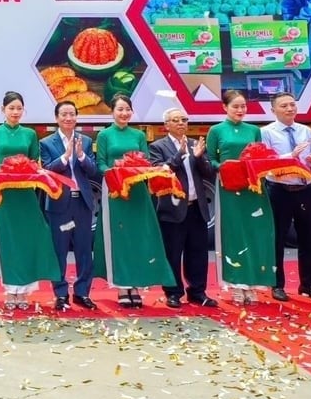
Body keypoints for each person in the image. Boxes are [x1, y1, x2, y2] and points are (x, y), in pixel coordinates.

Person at [94, 94, 176, 308]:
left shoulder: (139, 135)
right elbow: (100, 164)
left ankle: (136, 285)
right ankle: (122, 286)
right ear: (112, 112)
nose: (124, 113)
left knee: (138, 237)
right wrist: (115, 173)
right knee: (120, 238)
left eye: (127, 109)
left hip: (138, 191)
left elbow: (145, 162)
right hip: (115, 191)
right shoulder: (104, 135)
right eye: (120, 109)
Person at [0, 91, 64, 310]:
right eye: (11, 108)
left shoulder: (29, 134)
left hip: (25, 193)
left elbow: (34, 161)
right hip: (3, 194)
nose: (15, 112)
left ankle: (25, 290)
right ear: (3, 110)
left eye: (19, 108)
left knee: (26, 239)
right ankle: (11, 290)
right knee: (8, 241)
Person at [205, 90, 276, 305]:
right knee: (234, 233)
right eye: (235, 106)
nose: (240, 110)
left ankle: (252, 284)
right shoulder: (216, 130)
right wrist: (223, 167)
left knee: (255, 232)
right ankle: (236, 284)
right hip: (229, 187)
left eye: (243, 106)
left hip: (253, 188)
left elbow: (259, 155)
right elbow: (210, 159)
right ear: (224, 107)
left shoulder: (254, 130)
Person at [261, 91, 311, 302]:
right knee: (277, 239)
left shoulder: (305, 130)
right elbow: (266, 161)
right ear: (273, 110)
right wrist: (290, 157)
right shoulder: (266, 132)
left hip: (305, 188)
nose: (290, 109)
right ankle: (277, 285)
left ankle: (308, 285)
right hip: (279, 189)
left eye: (292, 104)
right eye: (284, 106)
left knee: (310, 238)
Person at [149, 107, 218, 309]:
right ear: (166, 125)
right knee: (173, 253)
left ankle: (197, 292)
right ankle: (173, 293)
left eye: (184, 119)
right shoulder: (157, 147)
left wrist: (199, 157)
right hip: (173, 208)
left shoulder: (195, 144)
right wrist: (179, 155)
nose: (181, 123)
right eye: (176, 120)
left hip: (197, 207)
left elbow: (208, 173)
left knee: (198, 252)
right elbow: (159, 173)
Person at [39, 100, 101, 311]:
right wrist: (65, 157)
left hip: (82, 202)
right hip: (59, 203)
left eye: (72, 114)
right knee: (60, 249)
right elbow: (47, 169)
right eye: (64, 114)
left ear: (76, 117)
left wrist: (81, 155)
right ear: (56, 118)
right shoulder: (46, 143)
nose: (68, 118)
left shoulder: (85, 140)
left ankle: (82, 293)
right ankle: (61, 293)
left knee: (84, 250)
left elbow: (93, 170)